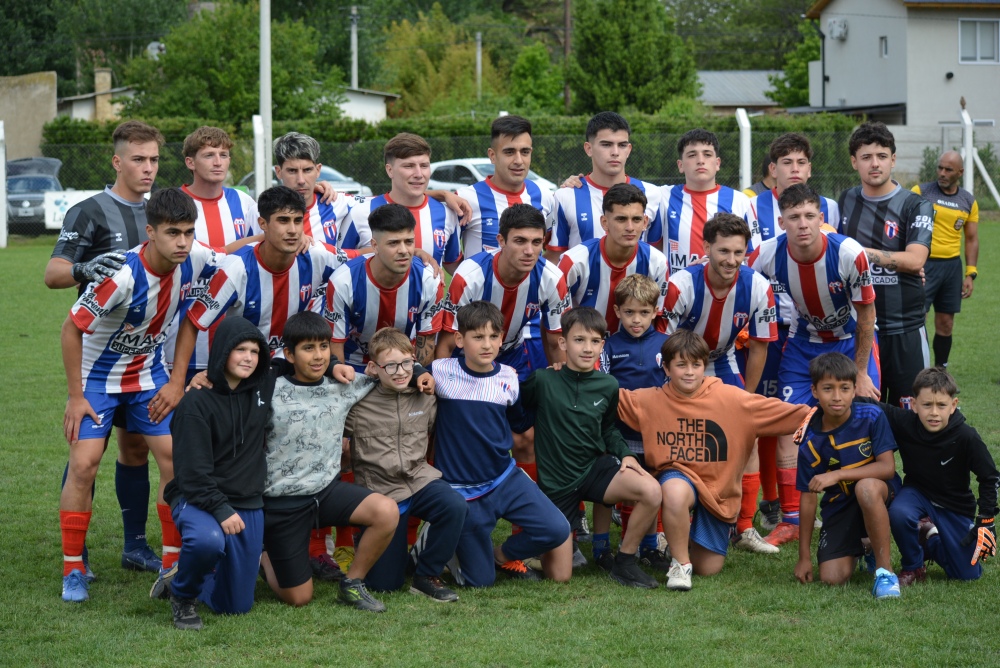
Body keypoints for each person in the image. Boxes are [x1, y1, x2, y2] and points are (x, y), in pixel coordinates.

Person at [59, 187, 221, 602]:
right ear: (150, 232)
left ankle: (171, 562)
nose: (182, 242)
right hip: (97, 381)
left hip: (149, 376)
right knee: (84, 465)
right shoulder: (122, 275)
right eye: (172, 233)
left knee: (173, 460)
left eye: (188, 232)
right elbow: (71, 328)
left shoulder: (197, 261)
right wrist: (76, 397)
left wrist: (175, 380)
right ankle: (73, 568)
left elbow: (191, 320)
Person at [45, 119, 165, 576]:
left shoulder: (162, 212)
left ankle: (135, 546)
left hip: (144, 356)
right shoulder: (89, 211)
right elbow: (53, 274)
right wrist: (85, 268)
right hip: (95, 357)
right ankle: (77, 554)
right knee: (85, 456)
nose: (148, 168)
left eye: (154, 159)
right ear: (118, 162)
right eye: (138, 159)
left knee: (134, 450)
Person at [617, 330, 811, 591]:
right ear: (666, 367)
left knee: (708, 568)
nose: (689, 372)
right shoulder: (649, 400)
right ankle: (680, 564)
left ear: (704, 366)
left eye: (696, 365)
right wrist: (566, 372)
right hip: (677, 478)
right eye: (681, 365)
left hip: (718, 491)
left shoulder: (732, 399)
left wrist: (830, 411)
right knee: (673, 490)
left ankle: (687, 538)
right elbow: (604, 396)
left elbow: (788, 414)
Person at [748, 184, 881, 547]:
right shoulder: (767, 254)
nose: (803, 224)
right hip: (805, 342)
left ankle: (861, 517)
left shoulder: (849, 253)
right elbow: (739, 282)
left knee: (861, 420)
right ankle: (790, 518)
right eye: (794, 217)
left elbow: (867, 315)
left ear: (821, 219)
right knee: (791, 421)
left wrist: (861, 372)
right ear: (781, 221)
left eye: (810, 216)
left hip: (852, 341)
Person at [257, 312, 399, 612]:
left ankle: (353, 583)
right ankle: (264, 555)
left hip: (326, 492)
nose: (319, 355)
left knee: (386, 512)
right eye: (308, 348)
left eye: (323, 346)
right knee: (299, 598)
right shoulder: (270, 390)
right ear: (289, 354)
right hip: (283, 502)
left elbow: (389, 373)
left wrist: (420, 372)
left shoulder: (344, 384)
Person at [517, 307, 663, 588]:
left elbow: (608, 428)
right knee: (559, 575)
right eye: (579, 340)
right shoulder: (544, 380)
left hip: (595, 470)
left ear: (602, 345)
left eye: (595, 341)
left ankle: (625, 561)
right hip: (557, 482)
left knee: (651, 490)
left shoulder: (608, 384)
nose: (587, 348)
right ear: (563, 343)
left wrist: (626, 455)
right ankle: (539, 544)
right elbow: (519, 415)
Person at [431, 301, 573, 586]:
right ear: (459, 339)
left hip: (503, 479)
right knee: (479, 582)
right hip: (461, 490)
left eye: (494, 337)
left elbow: (520, 422)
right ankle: (439, 539)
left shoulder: (508, 376)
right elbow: (406, 376)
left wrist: (553, 382)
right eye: (478, 337)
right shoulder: (439, 371)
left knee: (557, 529)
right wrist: (414, 375)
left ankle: (500, 554)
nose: (487, 345)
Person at [661, 212, 777, 554]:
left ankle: (743, 527)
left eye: (738, 252)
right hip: (679, 363)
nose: (731, 260)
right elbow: (660, 343)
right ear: (706, 247)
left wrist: (747, 400)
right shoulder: (681, 284)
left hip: (722, 360)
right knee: (671, 438)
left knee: (748, 436)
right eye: (723, 251)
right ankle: (662, 529)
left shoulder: (758, 286)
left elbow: (759, 346)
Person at [746, 132, 841, 531]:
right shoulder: (751, 206)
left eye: (801, 162)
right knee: (770, 416)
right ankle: (773, 502)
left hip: (814, 327)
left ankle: (827, 497)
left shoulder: (830, 206)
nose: (795, 169)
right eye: (787, 163)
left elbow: (837, 255)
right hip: (770, 326)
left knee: (827, 411)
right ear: (772, 171)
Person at [156, 317, 270, 630]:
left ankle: (181, 573)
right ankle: (182, 595)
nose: (248, 357)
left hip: (248, 503)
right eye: (240, 350)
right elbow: (192, 475)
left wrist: (332, 367)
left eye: (255, 351)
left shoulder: (262, 386)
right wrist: (220, 509)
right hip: (199, 498)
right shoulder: (195, 403)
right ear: (221, 352)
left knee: (234, 606)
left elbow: (304, 363)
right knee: (206, 540)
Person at [344, 327, 467, 602]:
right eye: (391, 366)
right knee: (385, 584)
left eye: (406, 364)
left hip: (418, 479)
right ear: (374, 368)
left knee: (454, 505)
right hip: (381, 492)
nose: (400, 372)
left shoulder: (425, 396)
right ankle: (372, 543)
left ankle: (427, 575)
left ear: (414, 361)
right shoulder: (357, 404)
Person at [839, 121, 934, 408]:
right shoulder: (846, 200)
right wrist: (898, 260)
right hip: (858, 329)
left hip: (904, 327)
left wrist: (858, 252)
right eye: (866, 157)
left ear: (893, 159)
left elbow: (916, 258)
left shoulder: (915, 205)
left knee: (914, 413)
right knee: (863, 417)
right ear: (855, 162)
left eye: (882, 156)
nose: (875, 164)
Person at [792, 353, 902, 599]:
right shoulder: (809, 440)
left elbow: (887, 468)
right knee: (832, 578)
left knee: (866, 488)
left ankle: (885, 572)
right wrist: (804, 558)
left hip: (880, 492)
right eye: (828, 389)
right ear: (815, 391)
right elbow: (808, 500)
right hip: (840, 505)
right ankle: (865, 545)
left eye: (844, 388)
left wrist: (838, 475)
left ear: (855, 390)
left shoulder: (871, 416)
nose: (837, 396)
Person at [878, 368, 998, 584]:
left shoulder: (966, 436)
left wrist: (986, 518)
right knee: (899, 513)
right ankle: (913, 567)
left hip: (954, 504)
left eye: (941, 405)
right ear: (914, 405)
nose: (934, 412)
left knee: (967, 575)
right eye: (927, 405)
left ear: (953, 405)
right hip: (917, 492)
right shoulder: (905, 422)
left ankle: (930, 539)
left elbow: (989, 477)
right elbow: (868, 406)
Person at [326, 203, 444, 370]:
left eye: (409, 242)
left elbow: (427, 344)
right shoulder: (343, 282)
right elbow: (335, 345)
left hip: (405, 368)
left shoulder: (429, 280)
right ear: (375, 245)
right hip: (355, 367)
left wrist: (413, 377)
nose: (403, 250)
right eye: (393, 243)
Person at [546, 111, 664, 261]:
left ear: (629, 150)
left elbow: (656, 252)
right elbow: (556, 258)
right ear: (589, 149)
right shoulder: (565, 196)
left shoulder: (653, 194)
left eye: (622, 145)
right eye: (606, 145)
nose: (615, 152)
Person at [337, 133, 461, 272]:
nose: (419, 174)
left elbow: (453, 264)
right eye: (409, 166)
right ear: (390, 170)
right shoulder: (360, 213)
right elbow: (340, 263)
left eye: (424, 165)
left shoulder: (446, 214)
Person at [557, 183, 668, 334]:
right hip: (585, 351)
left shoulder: (658, 263)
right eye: (621, 219)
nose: (630, 227)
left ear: (645, 223)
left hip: (633, 351)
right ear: (604, 222)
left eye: (636, 219)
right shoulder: (574, 262)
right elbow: (555, 326)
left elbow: (657, 320)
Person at [911, 151, 980, 368]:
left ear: (960, 172)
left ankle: (941, 369)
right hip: (923, 264)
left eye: (948, 169)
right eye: (940, 167)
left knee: (946, 323)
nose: (942, 173)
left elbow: (971, 238)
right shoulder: (920, 192)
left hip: (951, 267)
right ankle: (914, 368)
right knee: (917, 319)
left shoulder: (968, 201)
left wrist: (970, 272)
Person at [456, 115, 555, 259]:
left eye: (525, 152)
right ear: (492, 155)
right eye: (509, 152)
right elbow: (449, 256)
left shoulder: (544, 196)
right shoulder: (467, 198)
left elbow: (550, 247)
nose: (519, 160)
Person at [660, 128, 753, 275]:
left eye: (707, 154)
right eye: (692, 155)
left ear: (717, 163)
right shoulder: (662, 197)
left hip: (727, 291)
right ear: (680, 165)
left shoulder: (740, 201)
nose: (700, 160)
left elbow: (751, 256)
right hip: (679, 292)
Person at [272, 131, 351, 250]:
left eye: (307, 170)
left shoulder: (338, 202)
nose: (301, 180)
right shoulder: (260, 212)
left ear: (318, 170)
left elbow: (384, 201)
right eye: (292, 171)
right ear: (278, 172)